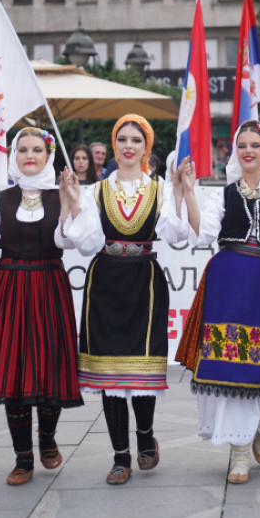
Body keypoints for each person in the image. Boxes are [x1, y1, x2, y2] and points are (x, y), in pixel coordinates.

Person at [172, 120, 260, 485]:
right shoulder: (224, 193)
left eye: (255, 145)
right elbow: (204, 235)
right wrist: (188, 192)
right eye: (242, 145)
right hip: (228, 281)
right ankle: (238, 451)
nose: (248, 150)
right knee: (230, 366)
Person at [0, 127, 83, 485]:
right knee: (15, 372)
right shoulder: (0, 199)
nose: (29, 155)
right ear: (13, 155)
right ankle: (23, 457)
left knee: (50, 368)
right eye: (22, 149)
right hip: (10, 286)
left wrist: (70, 204)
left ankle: (47, 439)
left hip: (50, 285)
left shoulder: (61, 193)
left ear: (48, 155)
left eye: (37, 149)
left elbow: (66, 241)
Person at [68, 115, 178, 485]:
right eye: (122, 139)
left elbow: (178, 235)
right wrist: (72, 203)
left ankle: (145, 436)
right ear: (113, 146)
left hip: (144, 279)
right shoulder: (96, 191)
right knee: (110, 373)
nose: (128, 146)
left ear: (147, 148)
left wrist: (183, 192)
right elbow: (82, 243)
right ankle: (120, 457)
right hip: (105, 279)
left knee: (140, 367)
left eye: (136, 140)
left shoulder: (159, 189)